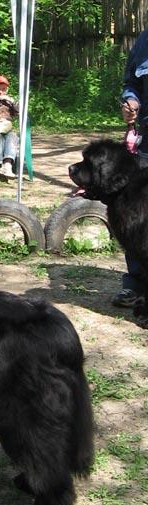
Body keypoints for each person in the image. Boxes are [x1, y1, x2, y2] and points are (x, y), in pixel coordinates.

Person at [116, 27, 148, 309]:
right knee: (137, 213)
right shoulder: (144, 40)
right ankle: (136, 285)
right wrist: (131, 101)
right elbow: (131, 82)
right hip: (146, 141)